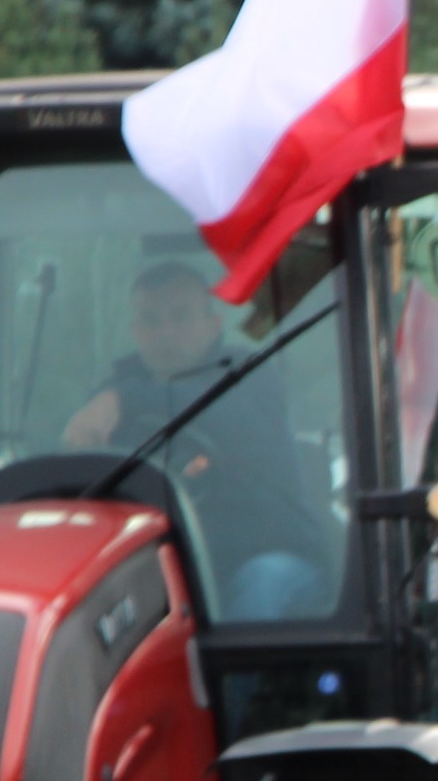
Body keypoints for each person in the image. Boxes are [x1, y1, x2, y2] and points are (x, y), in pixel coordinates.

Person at [64, 259, 334, 618]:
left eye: (182, 317)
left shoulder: (248, 377)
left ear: (213, 325)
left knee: (262, 589)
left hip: (265, 557)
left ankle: (230, 676)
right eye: (151, 321)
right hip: (163, 566)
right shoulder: (113, 398)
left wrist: (122, 399)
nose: (167, 332)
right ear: (135, 331)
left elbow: (209, 403)